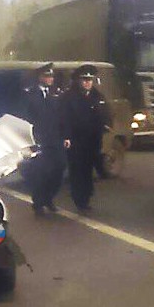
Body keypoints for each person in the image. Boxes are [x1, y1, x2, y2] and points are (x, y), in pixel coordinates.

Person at [23, 63, 71, 215]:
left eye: (51, 76)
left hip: (55, 139)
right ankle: (38, 202)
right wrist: (31, 141)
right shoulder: (30, 96)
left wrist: (65, 136)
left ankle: (49, 197)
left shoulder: (53, 95)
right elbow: (27, 119)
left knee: (59, 168)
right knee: (42, 173)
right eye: (47, 76)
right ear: (40, 77)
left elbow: (60, 118)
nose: (50, 79)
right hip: (40, 141)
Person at [62, 64, 110, 212]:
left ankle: (86, 197)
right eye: (84, 79)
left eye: (90, 79)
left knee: (88, 170)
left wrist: (106, 125)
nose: (87, 82)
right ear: (78, 80)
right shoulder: (69, 97)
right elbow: (64, 119)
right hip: (76, 141)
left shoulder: (97, 96)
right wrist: (66, 136)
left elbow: (105, 114)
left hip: (92, 140)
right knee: (77, 170)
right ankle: (79, 199)